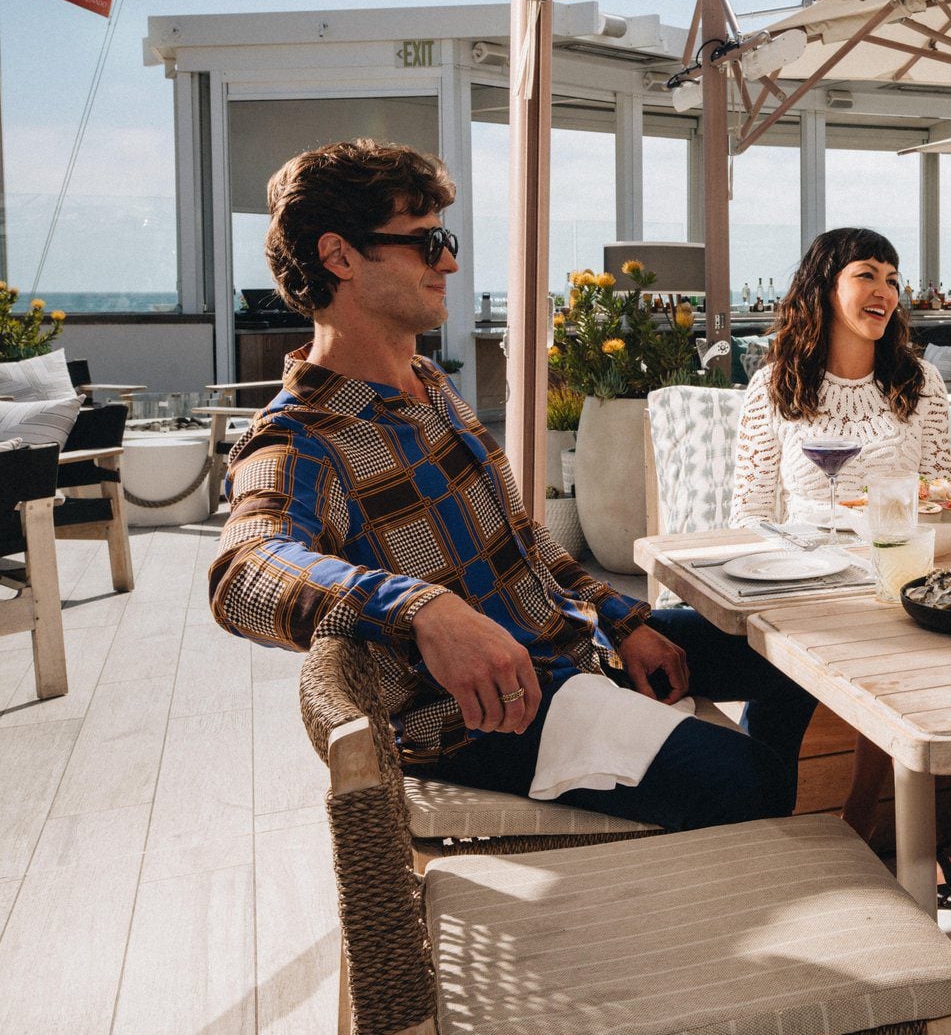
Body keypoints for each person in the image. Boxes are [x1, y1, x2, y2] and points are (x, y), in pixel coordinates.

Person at [209, 139, 818, 832]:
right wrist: (423, 611)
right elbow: (243, 572)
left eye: (448, 237)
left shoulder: (430, 387)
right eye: (425, 240)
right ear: (339, 256)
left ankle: (740, 840)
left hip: (571, 646)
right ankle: (743, 840)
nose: (449, 261)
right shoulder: (299, 436)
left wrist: (626, 619)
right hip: (492, 715)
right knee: (753, 782)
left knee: (797, 653)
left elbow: (522, 544)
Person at [730, 226, 951, 846]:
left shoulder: (921, 383)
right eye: (866, 274)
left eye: (892, 279)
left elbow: (941, 497)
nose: (884, 290)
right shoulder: (773, 386)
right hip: (799, 578)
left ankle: (865, 815)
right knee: (775, 683)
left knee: (907, 656)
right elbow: (750, 513)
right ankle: (763, 827)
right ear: (824, 288)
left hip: (894, 571)